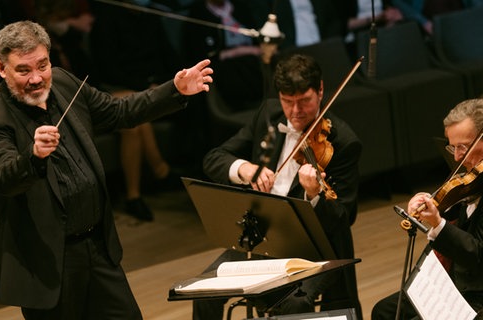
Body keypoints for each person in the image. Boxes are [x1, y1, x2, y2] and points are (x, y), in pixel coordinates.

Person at [0, 20, 212, 319]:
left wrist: (175, 90)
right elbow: (4, 178)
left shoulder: (62, 82)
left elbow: (118, 112)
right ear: (1, 68)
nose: (36, 78)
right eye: (23, 70)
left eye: (42, 65)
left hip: (98, 249)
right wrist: (33, 156)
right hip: (51, 265)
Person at [194, 53, 362, 319]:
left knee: (293, 306)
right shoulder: (268, 115)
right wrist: (244, 168)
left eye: (304, 101)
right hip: (263, 241)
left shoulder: (343, 142)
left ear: (320, 91)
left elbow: (343, 217)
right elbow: (213, 158)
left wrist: (315, 194)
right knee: (204, 291)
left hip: (314, 251)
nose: (296, 112)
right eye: (288, 102)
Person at [371, 99, 483, 320]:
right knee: (384, 312)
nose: (457, 157)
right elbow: (456, 213)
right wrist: (430, 204)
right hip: (454, 279)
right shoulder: (472, 177)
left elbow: (478, 255)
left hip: (477, 293)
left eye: (464, 146)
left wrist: (438, 224)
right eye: (453, 146)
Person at [90, 0, 183, 221]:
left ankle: (150, 181)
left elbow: (168, 56)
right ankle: (146, 183)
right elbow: (106, 69)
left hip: (145, 87)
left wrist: (164, 84)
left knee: (138, 114)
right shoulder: (106, 20)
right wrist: (144, 87)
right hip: (110, 89)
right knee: (133, 121)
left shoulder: (150, 15)